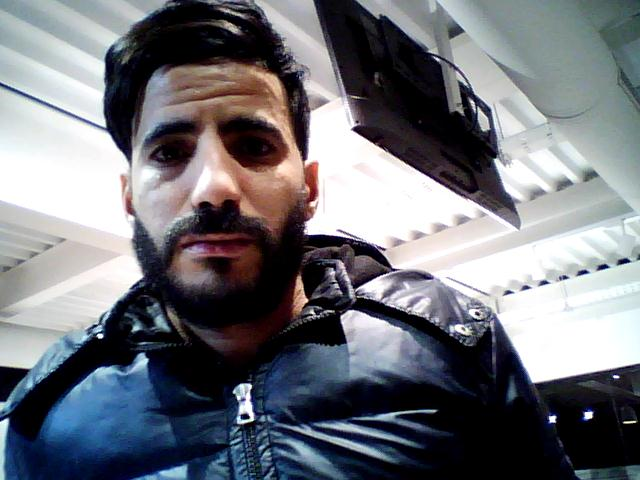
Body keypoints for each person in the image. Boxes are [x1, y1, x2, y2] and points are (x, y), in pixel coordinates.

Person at [1, 1, 578, 478]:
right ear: (130, 195)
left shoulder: (453, 341)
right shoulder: (52, 410)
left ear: (309, 188)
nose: (214, 187)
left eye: (254, 146)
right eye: (170, 152)